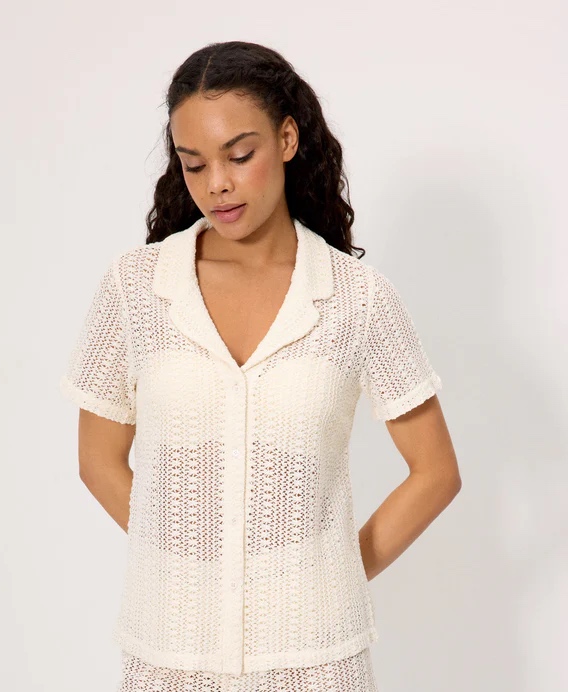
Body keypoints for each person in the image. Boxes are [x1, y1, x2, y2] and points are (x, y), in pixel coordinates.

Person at [59, 40, 461, 692]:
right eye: (193, 164)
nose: (216, 183)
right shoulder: (136, 287)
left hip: (316, 660)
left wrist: (328, 572)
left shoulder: (359, 299)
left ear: (287, 139)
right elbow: (97, 459)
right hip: (170, 654)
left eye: (239, 156)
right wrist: (190, 564)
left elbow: (436, 471)